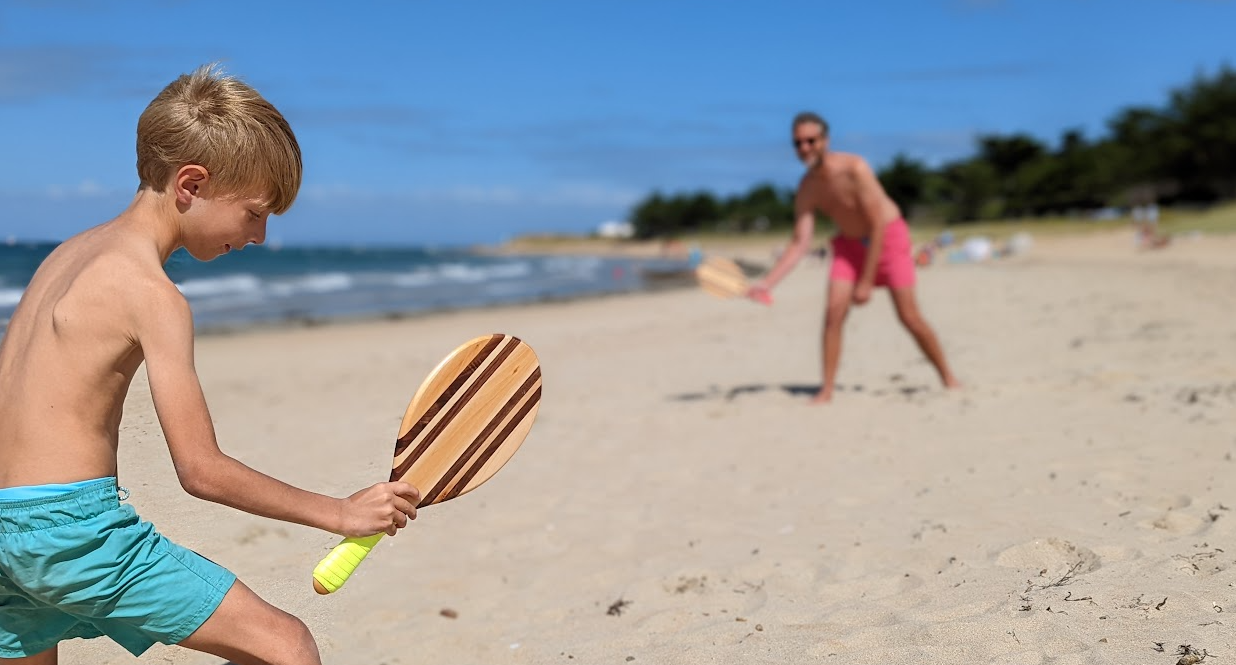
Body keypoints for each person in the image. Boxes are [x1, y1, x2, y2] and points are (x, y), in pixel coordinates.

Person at [0, 64, 419, 664]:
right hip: (74, 531)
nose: (260, 237)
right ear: (190, 185)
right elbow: (201, 470)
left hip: (7, 523)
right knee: (286, 645)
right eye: (254, 212)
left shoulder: (64, 257)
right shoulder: (152, 294)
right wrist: (339, 513)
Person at [748, 112, 960, 404]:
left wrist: (866, 281)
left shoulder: (855, 169)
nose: (805, 148)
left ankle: (948, 376)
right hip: (848, 247)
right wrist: (767, 283)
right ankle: (827, 389)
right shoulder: (807, 188)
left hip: (888, 240)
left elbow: (876, 225)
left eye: (811, 141)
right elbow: (800, 243)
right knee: (833, 312)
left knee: (909, 316)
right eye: (798, 143)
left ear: (826, 140)